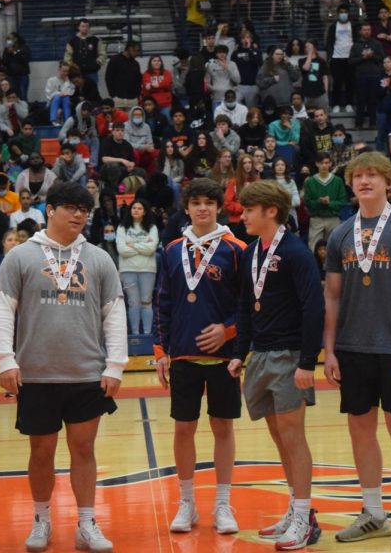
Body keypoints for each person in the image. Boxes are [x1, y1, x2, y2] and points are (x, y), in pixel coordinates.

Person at [0, 182, 128, 553]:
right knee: (41, 452)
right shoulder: (20, 257)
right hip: (36, 373)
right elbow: (2, 309)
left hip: (86, 372)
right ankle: (41, 517)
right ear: (49, 210)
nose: (79, 214)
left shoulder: (99, 258)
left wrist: (115, 365)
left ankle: (86, 522)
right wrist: (4, 359)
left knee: (84, 449)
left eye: (85, 209)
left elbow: (114, 313)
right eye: (70, 207)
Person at [323, 151, 391, 547]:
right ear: (350, 185)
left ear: (388, 182)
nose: (365, 181)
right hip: (352, 347)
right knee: (360, 431)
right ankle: (373, 512)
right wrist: (329, 350)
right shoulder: (339, 234)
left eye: (373, 175)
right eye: (358, 175)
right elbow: (332, 297)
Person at [226, 181, 325, 550]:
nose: (243, 215)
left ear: (271, 210)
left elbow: (313, 308)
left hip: (288, 355)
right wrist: (239, 351)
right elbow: (244, 306)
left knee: (293, 436)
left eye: (249, 209)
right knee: (278, 437)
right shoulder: (252, 252)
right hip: (260, 355)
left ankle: (304, 518)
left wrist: (307, 361)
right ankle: (295, 507)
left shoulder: (297, 253)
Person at [153, 178, 246, 534]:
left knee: (222, 427)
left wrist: (229, 330)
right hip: (183, 355)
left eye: (210, 202)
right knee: (183, 428)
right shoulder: (172, 249)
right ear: (187, 207)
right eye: (196, 203)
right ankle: (187, 502)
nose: (203, 208)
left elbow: (247, 306)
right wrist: (161, 351)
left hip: (224, 357)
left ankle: (223, 503)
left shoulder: (235, 248)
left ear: (219, 207)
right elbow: (162, 301)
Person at [116, 199, 159, 335]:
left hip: (148, 270)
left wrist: (132, 245)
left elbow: (151, 249)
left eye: (140, 208)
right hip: (127, 270)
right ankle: (135, 334)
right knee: (133, 303)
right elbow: (121, 250)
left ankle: (147, 334)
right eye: (134, 208)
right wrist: (143, 247)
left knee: (146, 302)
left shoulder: (152, 228)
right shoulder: (122, 228)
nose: (136, 210)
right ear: (130, 210)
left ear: (144, 211)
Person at [303, 152, 347, 251]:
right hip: (316, 218)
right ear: (316, 164)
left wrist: (330, 203)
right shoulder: (310, 181)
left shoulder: (337, 181)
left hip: (333, 218)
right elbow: (307, 202)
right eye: (321, 163)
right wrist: (319, 202)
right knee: (313, 247)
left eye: (326, 163)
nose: (324, 165)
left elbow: (342, 201)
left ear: (330, 164)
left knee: (335, 246)